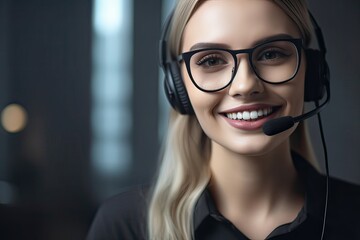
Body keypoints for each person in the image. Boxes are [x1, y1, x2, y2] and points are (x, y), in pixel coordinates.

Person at [87, 0, 360, 239]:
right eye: (210, 60)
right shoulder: (123, 227)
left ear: (311, 71)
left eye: (271, 54)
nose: (245, 85)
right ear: (177, 86)